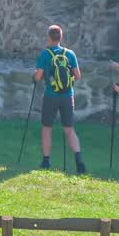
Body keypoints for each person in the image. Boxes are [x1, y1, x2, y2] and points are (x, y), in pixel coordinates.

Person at [34, 24, 86, 174]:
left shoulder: (45, 54)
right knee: (69, 129)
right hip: (67, 96)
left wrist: (36, 75)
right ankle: (78, 161)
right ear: (61, 37)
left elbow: (38, 77)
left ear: (49, 37)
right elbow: (77, 76)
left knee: (46, 128)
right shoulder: (70, 54)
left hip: (51, 96)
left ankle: (46, 161)